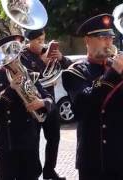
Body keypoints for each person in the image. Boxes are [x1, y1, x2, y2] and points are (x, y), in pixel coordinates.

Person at [62, 13, 123, 180]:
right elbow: (83, 106)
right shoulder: (75, 71)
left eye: (110, 37)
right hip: (94, 161)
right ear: (87, 41)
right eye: (102, 37)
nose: (109, 42)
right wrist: (112, 74)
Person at [0, 35, 54, 180]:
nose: (15, 59)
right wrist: (10, 89)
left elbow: (50, 100)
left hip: (28, 140)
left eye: (16, 54)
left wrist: (41, 103)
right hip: (7, 141)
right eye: (11, 55)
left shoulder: (31, 75)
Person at [20, 29, 71, 180]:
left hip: (50, 101)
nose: (42, 43)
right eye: (38, 40)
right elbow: (26, 76)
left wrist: (61, 58)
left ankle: (49, 170)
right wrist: (41, 62)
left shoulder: (46, 50)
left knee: (54, 138)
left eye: (43, 39)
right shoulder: (23, 55)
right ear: (29, 40)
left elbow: (69, 66)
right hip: (33, 102)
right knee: (33, 140)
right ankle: (34, 172)